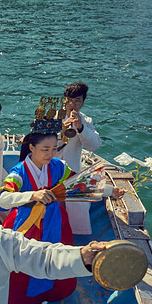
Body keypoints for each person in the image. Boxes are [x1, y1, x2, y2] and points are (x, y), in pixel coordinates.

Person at [0, 120, 78, 304]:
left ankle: (50, 293)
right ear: (31, 147)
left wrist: (108, 191)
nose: (50, 154)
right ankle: (25, 301)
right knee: (26, 262)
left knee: (55, 256)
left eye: (54, 149)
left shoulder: (58, 166)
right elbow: (1, 199)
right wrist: (32, 195)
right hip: (26, 224)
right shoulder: (19, 172)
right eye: (45, 149)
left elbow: (79, 182)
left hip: (55, 221)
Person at [56, 82, 102, 235]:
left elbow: (94, 146)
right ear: (64, 100)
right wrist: (61, 130)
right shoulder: (52, 117)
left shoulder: (86, 121)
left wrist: (81, 128)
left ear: (82, 102)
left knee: (81, 203)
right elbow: (37, 141)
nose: (72, 104)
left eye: (77, 101)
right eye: (69, 100)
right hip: (48, 169)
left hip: (71, 172)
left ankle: (77, 237)